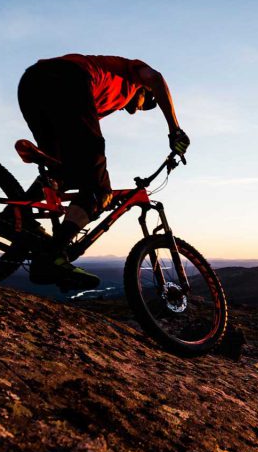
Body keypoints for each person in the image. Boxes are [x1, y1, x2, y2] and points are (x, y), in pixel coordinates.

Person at [16, 53, 190, 289]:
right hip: (67, 78)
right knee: (97, 191)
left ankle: (14, 217)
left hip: (31, 84)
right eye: (146, 104)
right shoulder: (132, 73)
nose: (135, 111)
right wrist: (175, 130)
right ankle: (53, 256)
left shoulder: (104, 99)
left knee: (62, 171)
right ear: (145, 90)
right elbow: (156, 77)